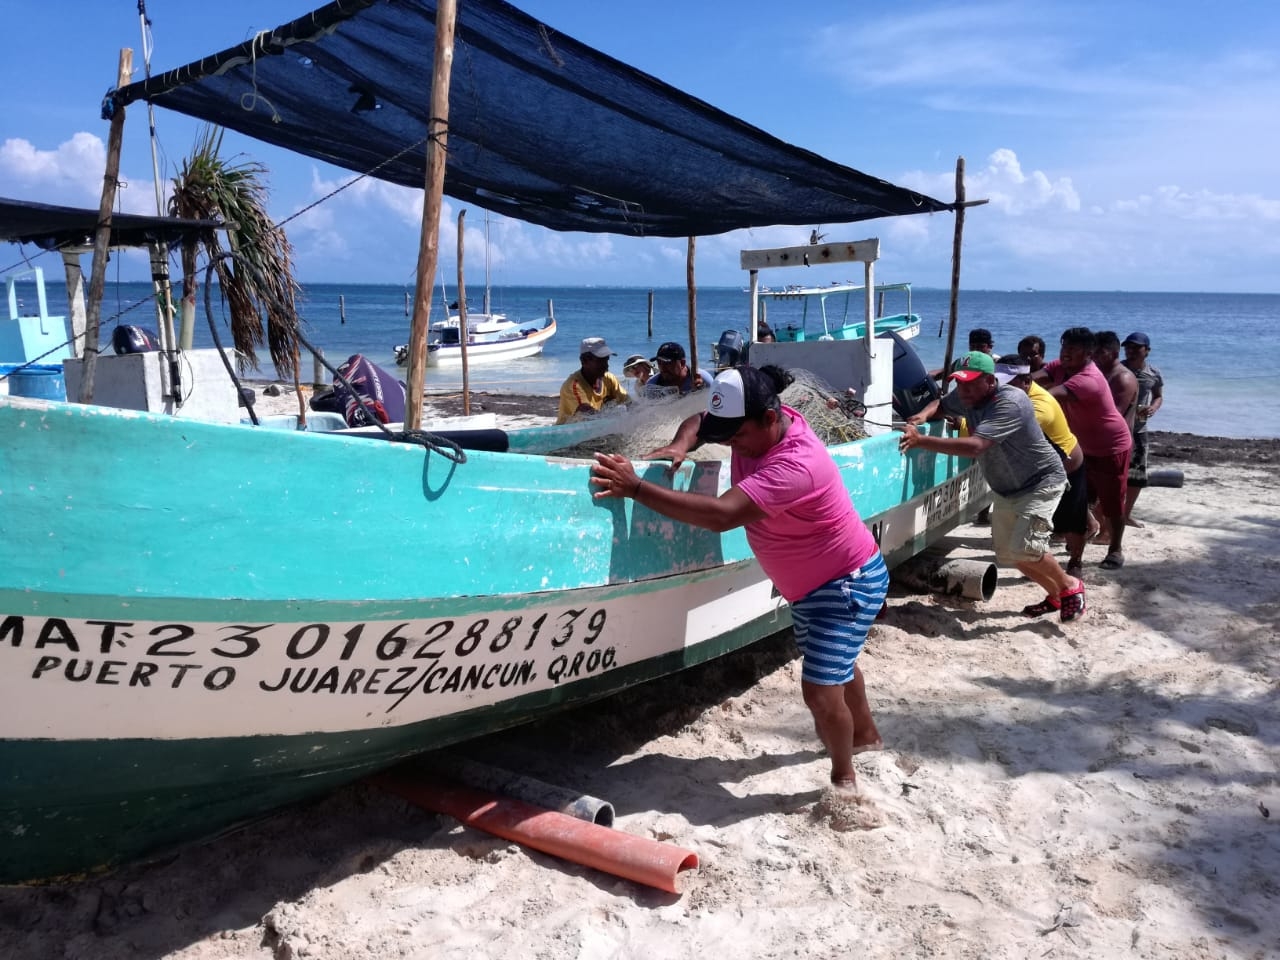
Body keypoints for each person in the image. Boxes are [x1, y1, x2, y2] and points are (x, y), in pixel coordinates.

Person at [591, 365, 889, 793]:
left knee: (820, 693)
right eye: (724, 433)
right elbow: (698, 422)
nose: (729, 442)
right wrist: (681, 444)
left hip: (844, 583)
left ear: (770, 418)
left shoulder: (796, 464)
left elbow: (721, 516)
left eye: (736, 436)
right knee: (837, 669)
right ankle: (865, 736)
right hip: (813, 587)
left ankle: (844, 780)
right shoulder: (754, 423)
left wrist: (636, 488)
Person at [899, 351, 1085, 622]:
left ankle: (1070, 586)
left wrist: (921, 441)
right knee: (1011, 554)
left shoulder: (1010, 402)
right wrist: (922, 416)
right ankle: (1055, 595)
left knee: (1027, 548)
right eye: (959, 383)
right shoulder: (968, 395)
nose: (964, 390)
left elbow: (976, 446)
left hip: (1040, 481)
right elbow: (942, 404)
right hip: (1006, 488)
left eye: (971, 383)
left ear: (990, 380)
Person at [1034, 328, 1133, 570]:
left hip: (1110, 446)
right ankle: (1081, 545)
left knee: (1113, 504)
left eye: (1073, 349)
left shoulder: (1088, 378)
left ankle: (1115, 549)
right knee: (1078, 500)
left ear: (1089, 353)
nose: (1066, 353)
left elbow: (1048, 396)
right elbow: (1034, 378)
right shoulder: (1060, 366)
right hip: (1079, 446)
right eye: (1064, 347)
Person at [997, 355, 1089, 585]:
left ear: (1026, 381)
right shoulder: (1011, 397)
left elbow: (1004, 430)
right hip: (1037, 472)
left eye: (1008, 383)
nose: (1001, 388)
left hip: (1067, 467)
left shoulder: (1040, 406)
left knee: (1073, 523)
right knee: (1037, 532)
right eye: (998, 381)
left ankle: (1076, 561)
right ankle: (1053, 586)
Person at [1121, 332, 1164, 526]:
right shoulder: (1118, 370)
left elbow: (1158, 395)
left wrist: (1153, 408)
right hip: (1118, 430)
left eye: (1136, 348)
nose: (1130, 351)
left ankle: (1126, 514)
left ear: (1147, 351)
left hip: (1139, 430)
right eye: (1128, 347)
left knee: (1137, 476)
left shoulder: (1153, 373)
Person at [556, 337, 630, 424]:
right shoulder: (574, 385)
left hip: (595, 429)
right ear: (584, 361)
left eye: (606, 360)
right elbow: (586, 412)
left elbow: (628, 402)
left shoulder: (609, 379)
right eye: (600, 361)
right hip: (569, 432)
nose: (606, 366)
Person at [1093, 331, 1138, 431]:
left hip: (1115, 439)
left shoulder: (1123, 378)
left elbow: (1113, 416)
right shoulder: (1099, 373)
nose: (1094, 356)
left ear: (1115, 353)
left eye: (1100, 352)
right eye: (1093, 352)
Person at [644, 341, 714, 399]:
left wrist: (701, 392)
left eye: (667, 363)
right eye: (659, 362)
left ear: (682, 363)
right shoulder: (653, 385)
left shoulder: (703, 379)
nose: (662, 367)